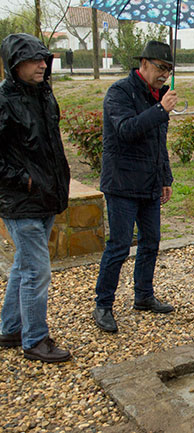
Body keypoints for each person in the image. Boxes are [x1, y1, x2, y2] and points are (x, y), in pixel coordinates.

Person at [92, 41, 178, 334]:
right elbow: (126, 130)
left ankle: (143, 296)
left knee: (151, 242)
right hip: (122, 183)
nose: (164, 74)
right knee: (118, 246)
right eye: (159, 67)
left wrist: (165, 177)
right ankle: (103, 304)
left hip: (150, 182)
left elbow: (158, 142)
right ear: (143, 63)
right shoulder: (119, 92)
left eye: (168, 69)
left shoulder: (161, 96)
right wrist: (160, 109)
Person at [0, 33, 71, 362]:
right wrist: (24, 181)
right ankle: (35, 339)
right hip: (20, 200)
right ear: (16, 65)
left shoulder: (44, 95)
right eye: (35, 59)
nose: (43, 64)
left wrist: (52, 184)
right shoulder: (4, 101)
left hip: (45, 195)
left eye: (45, 58)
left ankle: (10, 328)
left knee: (23, 266)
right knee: (37, 270)